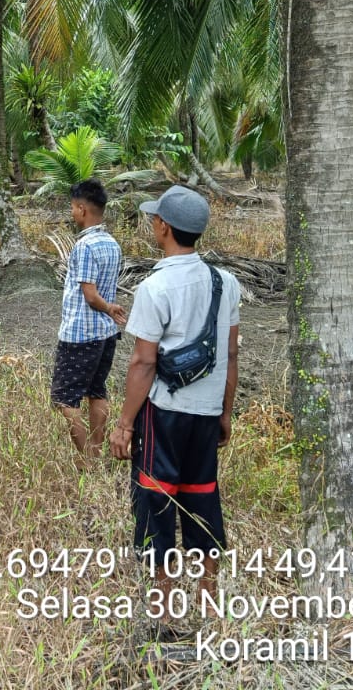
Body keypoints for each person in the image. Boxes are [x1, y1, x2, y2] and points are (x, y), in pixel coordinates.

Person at [109, 185, 240, 598]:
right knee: (203, 495)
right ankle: (208, 595)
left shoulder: (155, 287)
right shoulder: (226, 283)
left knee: (156, 498)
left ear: (163, 227)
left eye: (154, 219)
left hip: (164, 410)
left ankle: (163, 600)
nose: (153, 224)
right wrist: (224, 412)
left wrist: (125, 424)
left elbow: (143, 362)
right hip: (207, 411)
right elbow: (230, 355)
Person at [53, 179, 127, 459]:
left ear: (82, 209)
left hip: (80, 334)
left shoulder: (84, 246)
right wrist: (110, 311)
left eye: (73, 207)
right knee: (97, 391)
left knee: (64, 398)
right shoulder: (111, 243)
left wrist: (108, 308)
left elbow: (91, 296)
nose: (72, 212)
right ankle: (96, 451)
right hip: (105, 334)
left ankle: (87, 458)